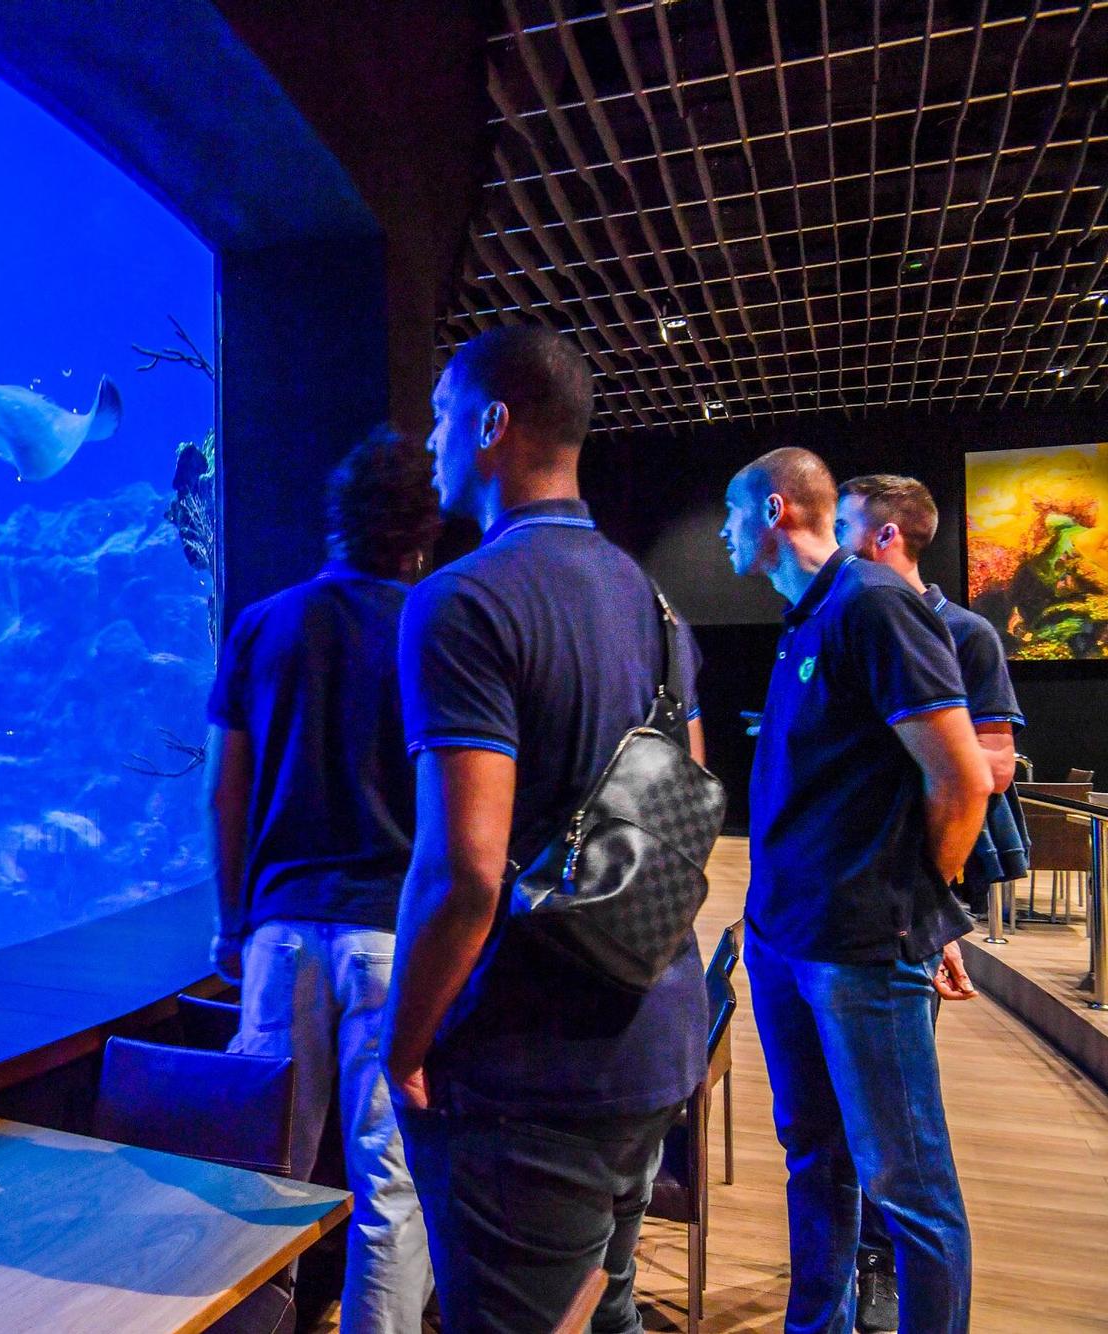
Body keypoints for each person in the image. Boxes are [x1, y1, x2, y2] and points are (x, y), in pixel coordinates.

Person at [381, 325, 709, 1333]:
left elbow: (463, 874)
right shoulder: (655, 606)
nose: (428, 438)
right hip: (654, 1034)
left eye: (440, 415)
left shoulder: (461, 603)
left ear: (491, 424)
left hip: (531, 1066)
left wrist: (401, 1042)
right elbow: (688, 800)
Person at [720, 448, 991, 1334]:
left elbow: (963, 781)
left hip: (862, 951)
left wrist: (922, 899)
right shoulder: (810, 615)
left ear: (771, 512)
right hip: (786, 941)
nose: (721, 536)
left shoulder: (873, 603)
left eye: (730, 515)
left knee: (907, 1185)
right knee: (815, 1158)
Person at [206, 427, 441, 1333]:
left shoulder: (264, 624)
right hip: (394, 937)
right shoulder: (436, 625)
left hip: (281, 933)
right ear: (423, 537)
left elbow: (224, 794)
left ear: (334, 520)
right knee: (391, 1178)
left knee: (264, 1169)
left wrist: (233, 922)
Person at [836, 472, 1024, 1332]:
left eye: (842, 524)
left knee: (901, 1130)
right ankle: (857, 1261)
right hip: (840, 904)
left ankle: (887, 1267)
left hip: (903, 903)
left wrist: (932, 885)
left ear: (882, 536)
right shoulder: (842, 618)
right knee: (851, 1119)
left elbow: (991, 768)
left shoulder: (966, 632)